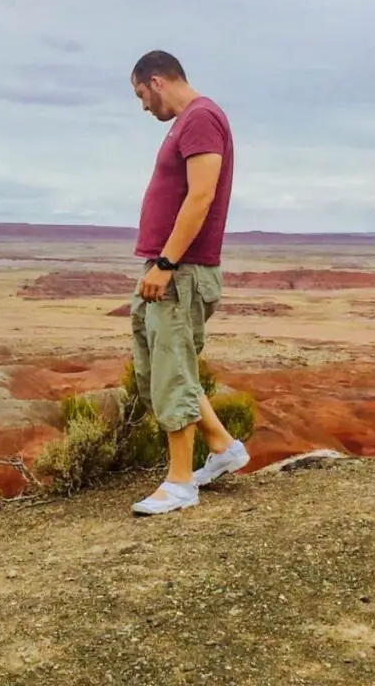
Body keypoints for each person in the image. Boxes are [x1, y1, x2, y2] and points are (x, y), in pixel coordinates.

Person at [127, 50, 250, 516]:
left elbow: (201, 195)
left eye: (141, 95)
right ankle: (222, 447)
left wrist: (166, 262)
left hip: (180, 270)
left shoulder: (200, 118)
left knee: (172, 368)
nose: (143, 107)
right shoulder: (191, 121)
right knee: (166, 365)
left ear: (156, 81)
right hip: (169, 268)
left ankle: (180, 483)